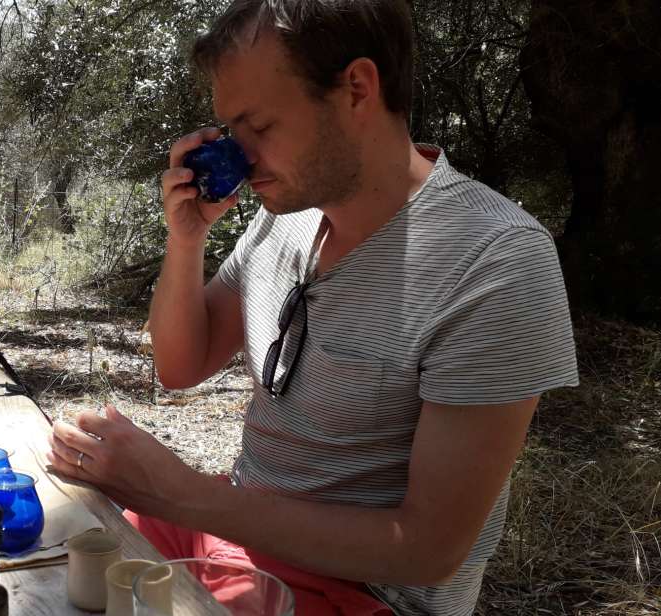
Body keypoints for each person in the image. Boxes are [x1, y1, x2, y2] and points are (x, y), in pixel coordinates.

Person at [44, 1, 579, 615]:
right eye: (229, 133)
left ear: (356, 88)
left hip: (359, 593)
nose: (239, 159)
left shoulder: (495, 260)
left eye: (259, 127)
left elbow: (428, 550)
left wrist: (180, 494)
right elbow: (179, 366)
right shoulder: (288, 220)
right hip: (234, 533)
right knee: (45, 543)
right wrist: (186, 238)